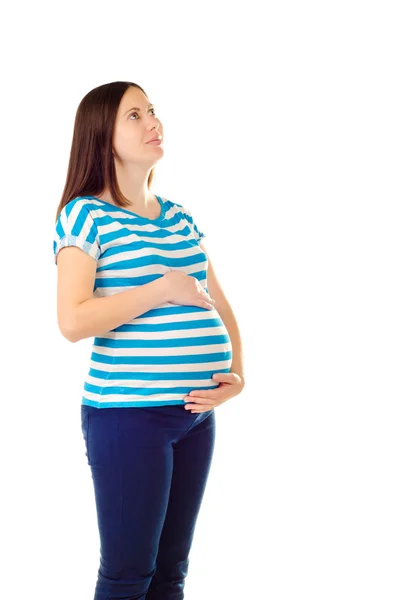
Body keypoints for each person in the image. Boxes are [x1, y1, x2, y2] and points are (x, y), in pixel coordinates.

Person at [53, 81, 245, 600]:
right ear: (102, 136)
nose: (153, 122)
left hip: (195, 416)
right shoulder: (84, 215)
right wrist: (159, 289)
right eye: (134, 115)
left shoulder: (179, 216)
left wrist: (238, 377)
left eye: (152, 111)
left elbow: (220, 304)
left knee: (171, 572)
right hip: (127, 418)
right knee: (127, 575)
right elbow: (72, 320)